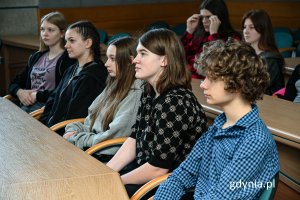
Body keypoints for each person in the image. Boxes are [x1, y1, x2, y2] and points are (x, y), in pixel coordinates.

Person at [154, 40, 280, 199]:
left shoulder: (255, 140)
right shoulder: (218, 126)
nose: (203, 85)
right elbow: (182, 176)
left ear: (238, 83)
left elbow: (221, 197)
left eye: (212, 79)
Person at [106, 28, 208, 197]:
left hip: (172, 186)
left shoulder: (175, 101)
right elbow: (134, 138)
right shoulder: (150, 91)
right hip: (146, 173)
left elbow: (158, 168)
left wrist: (116, 181)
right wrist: (107, 172)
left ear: (164, 60)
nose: (135, 60)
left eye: (143, 54)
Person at [63, 37, 143, 158]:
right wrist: (72, 130)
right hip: (90, 149)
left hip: (102, 157)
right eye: (107, 58)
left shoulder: (136, 93)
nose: (106, 64)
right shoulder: (114, 84)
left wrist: (77, 139)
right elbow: (89, 121)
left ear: (129, 61)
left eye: (112, 59)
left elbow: (112, 140)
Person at [40, 20, 107, 134]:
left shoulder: (93, 77)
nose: (66, 45)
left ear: (88, 43)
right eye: (66, 41)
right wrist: (44, 125)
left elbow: (76, 117)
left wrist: (50, 131)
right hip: (52, 129)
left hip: (67, 136)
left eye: (72, 41)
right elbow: (52, 100)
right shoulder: (72, 69)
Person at [8, 12, 76, 113]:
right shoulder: (36, 57)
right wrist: (19, 91)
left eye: (50, 30)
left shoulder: (68, 59)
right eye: (42, 29)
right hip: (27, 105)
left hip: (46, 109)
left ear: (62, 33)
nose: (45, 34)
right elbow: (14, 83)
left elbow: (64, 92)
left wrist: (37, 96)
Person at [182, 0, 241, 79]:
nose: (204, 21)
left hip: (210, 82)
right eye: (202, 17)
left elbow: (219, 64)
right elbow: (179, 56)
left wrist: (213, 34)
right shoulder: (199, 33)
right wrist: (189, 31)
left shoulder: (233, 37)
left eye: (208, 17)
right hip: (188, 79)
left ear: (219, 18)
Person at [242, 9, 285, 95]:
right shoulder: (244, 53)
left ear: (262, 29)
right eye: (244, 27)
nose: (246, 31)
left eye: (251, 27)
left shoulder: (270, 59)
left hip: (265, 104)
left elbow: (254, 88)